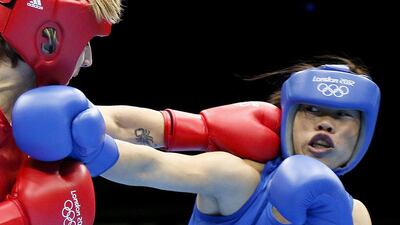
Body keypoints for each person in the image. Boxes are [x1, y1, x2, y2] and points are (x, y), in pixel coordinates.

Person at [12, 55, 380, 224]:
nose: (326, 125)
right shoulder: (239, 178)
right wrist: (88, 142)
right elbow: (151, 164)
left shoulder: (355, 214)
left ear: (362, 133)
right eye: (313, 112)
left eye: (342, 115)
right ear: (288, 120)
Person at [0, 0, 123, 224]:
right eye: (84, 42)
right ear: (48, 38)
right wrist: (17, 217)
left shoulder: (38, 117)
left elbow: (119, 124)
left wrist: (202, 130)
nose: (88, 60)